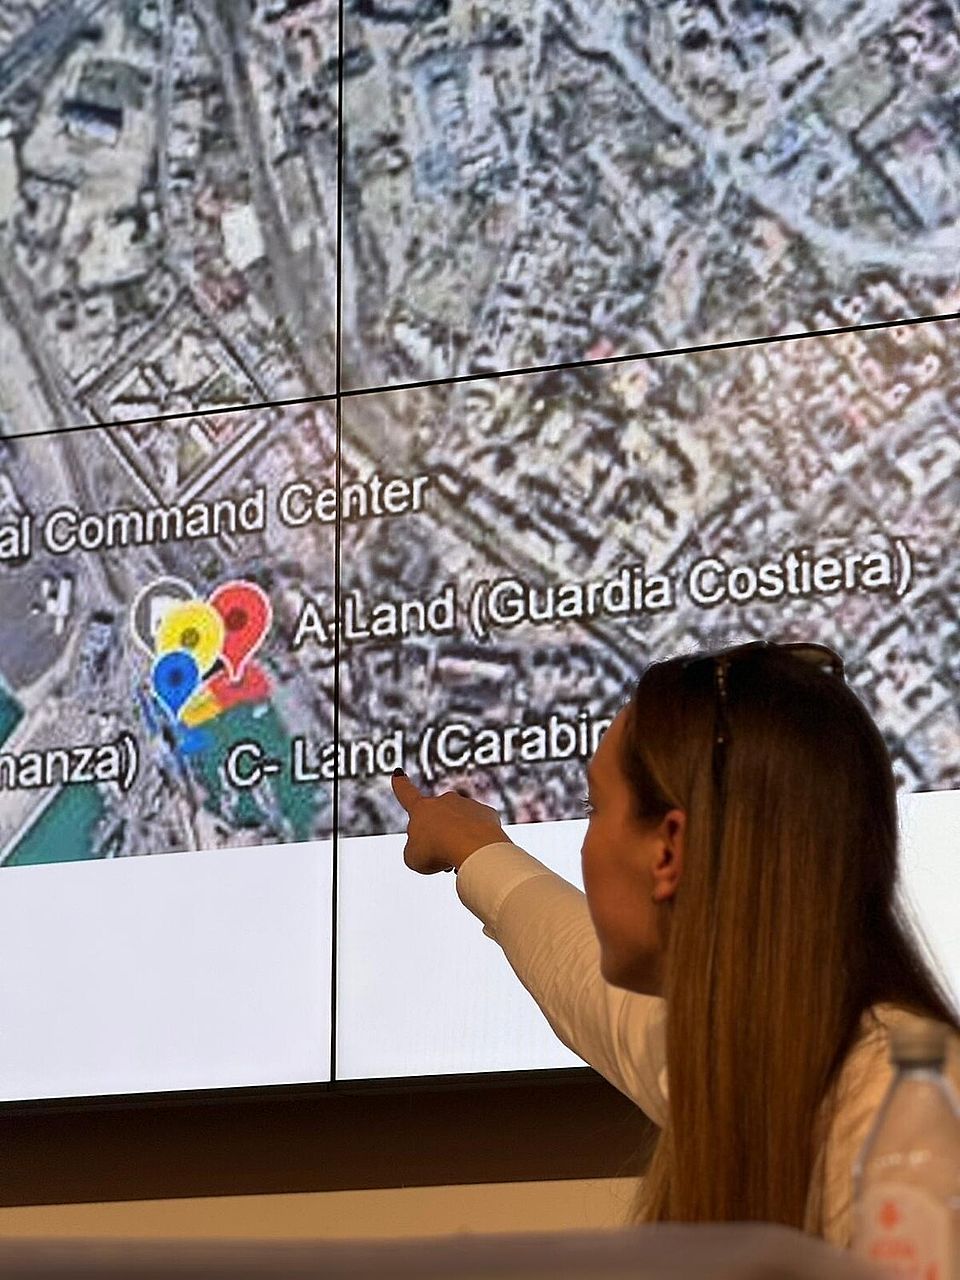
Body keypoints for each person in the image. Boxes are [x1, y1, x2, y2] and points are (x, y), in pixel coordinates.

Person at [390, 640, 960, 1246]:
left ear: (668, 850)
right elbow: (581, 975)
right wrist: (475, 848)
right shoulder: (768, 1060)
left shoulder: (903, 1125)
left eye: (594, 808)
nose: (585, 841)